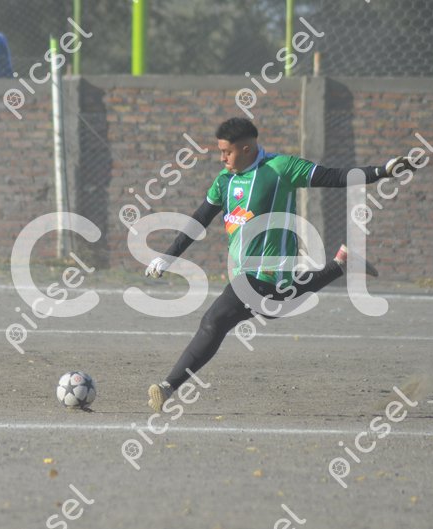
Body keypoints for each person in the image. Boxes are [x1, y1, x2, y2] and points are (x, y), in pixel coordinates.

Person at [145, 117, 415, 412]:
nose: (222, 158)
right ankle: (340, 264)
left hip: (265, 272)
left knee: (214, 321)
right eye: (220, 152)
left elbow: (335, 176)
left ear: (247, 148)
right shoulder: (224, 181)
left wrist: (382, 171)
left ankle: (167, 388)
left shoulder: (281, 168)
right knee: (270, 309)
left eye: (227, 152)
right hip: (247, 274)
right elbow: (199, 220)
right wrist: (168, 256)